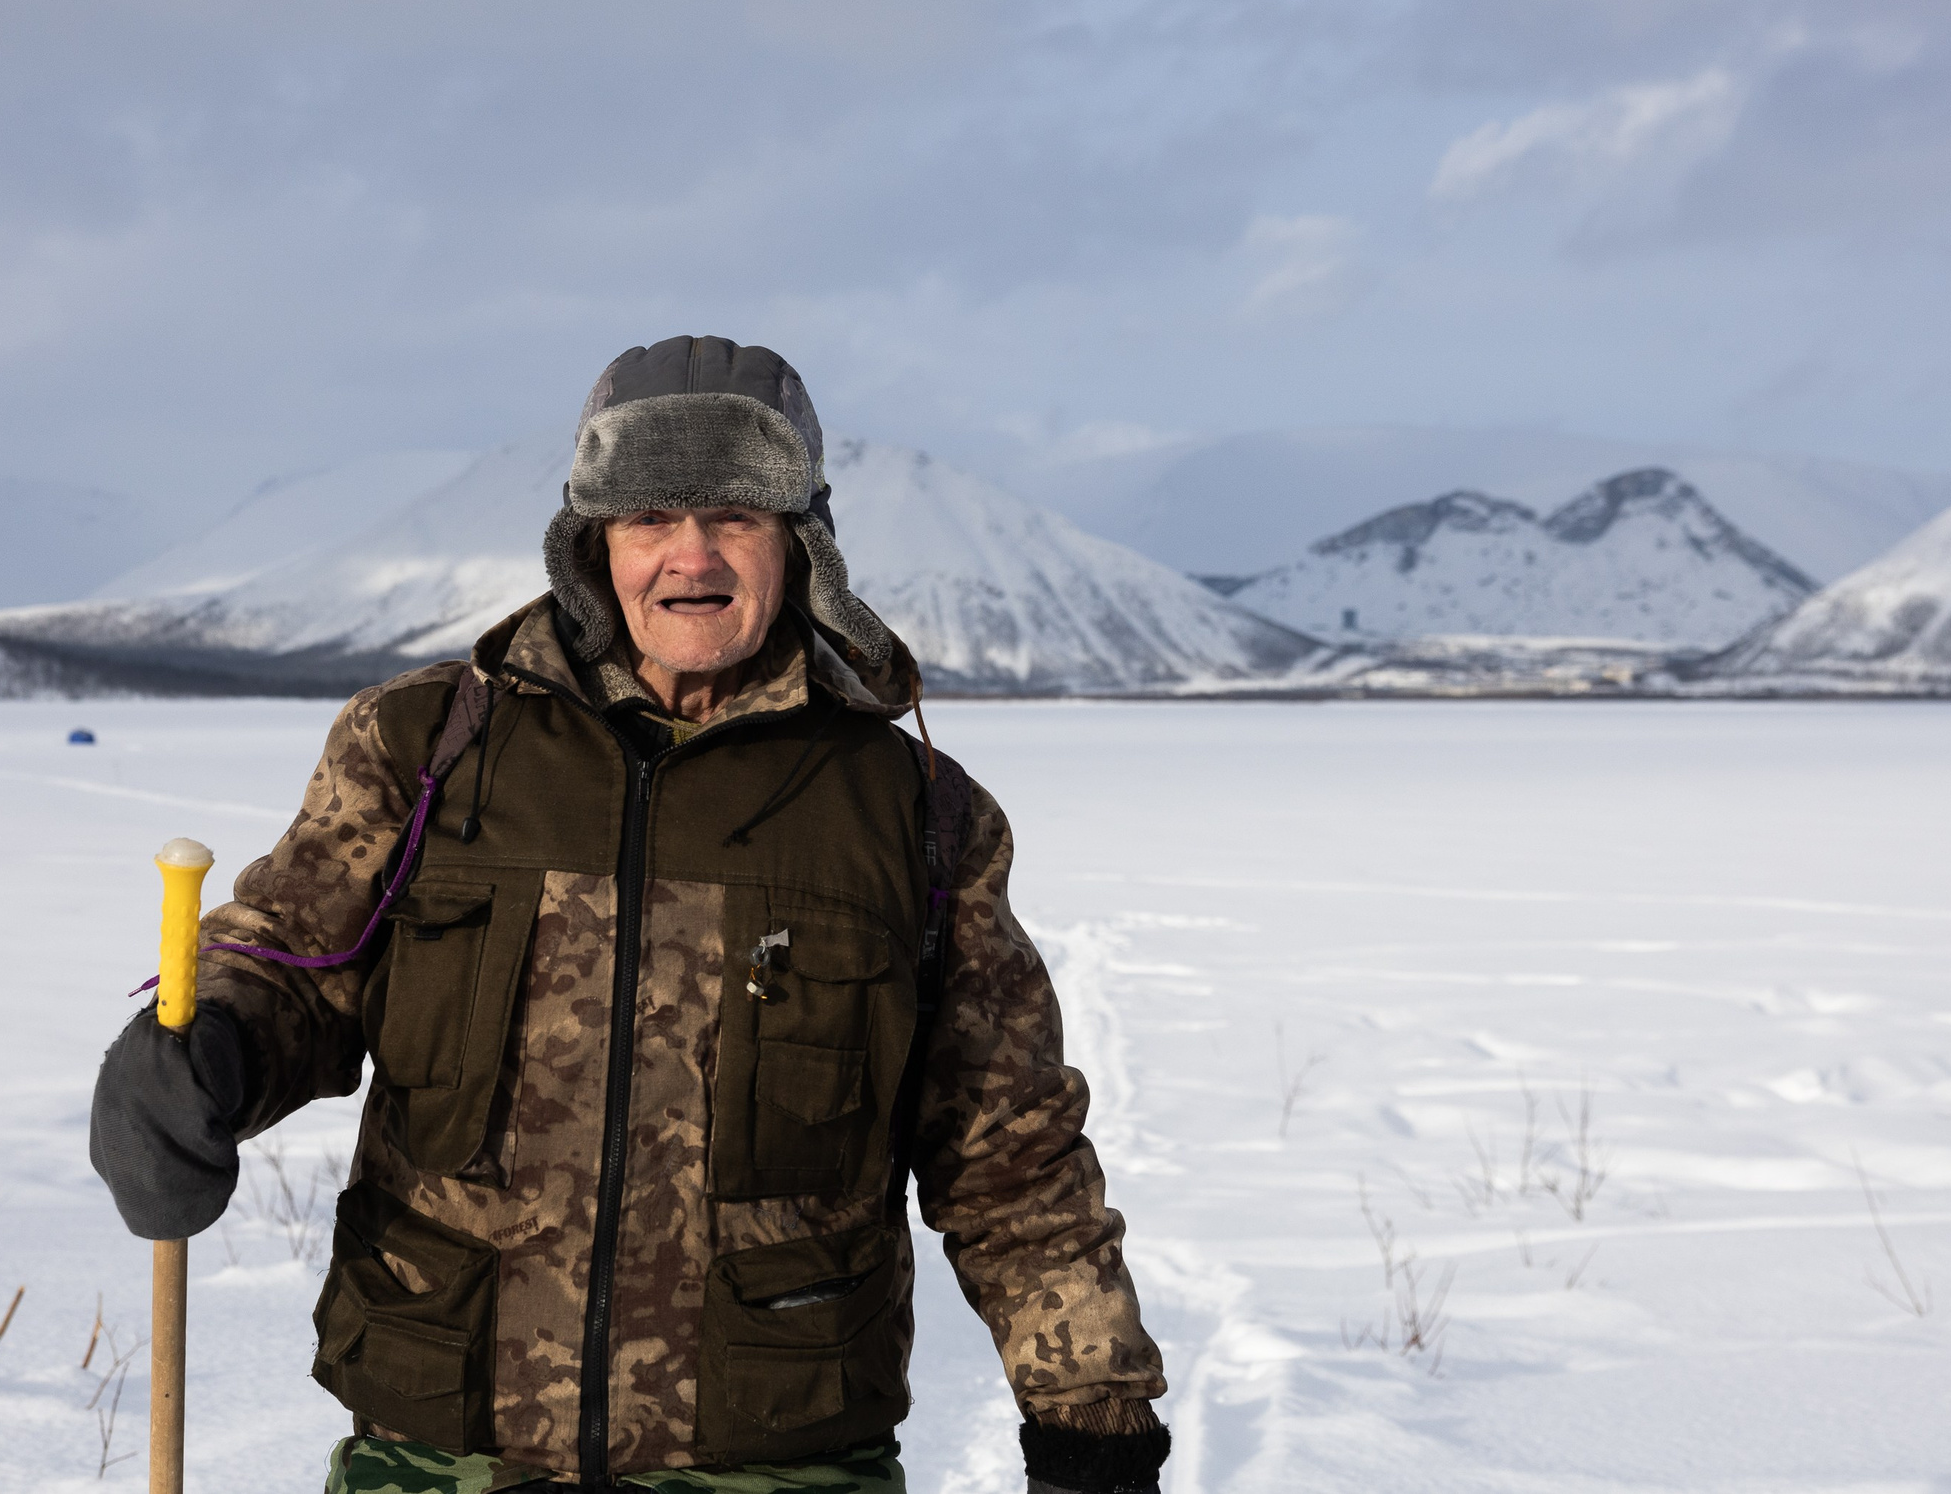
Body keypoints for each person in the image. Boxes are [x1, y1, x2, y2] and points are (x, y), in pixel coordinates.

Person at [90, 337, 1170, 1494]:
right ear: (590, 537)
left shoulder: (911, 811)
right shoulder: (423, 747)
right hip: (440, 1443)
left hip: (780, 1454)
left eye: (735, 513)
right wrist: (203, 1051)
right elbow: (296, 969)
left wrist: (1090, 1422)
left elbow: (1010, 1154)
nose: (689, 556)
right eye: (649, 513)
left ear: (800, 539)